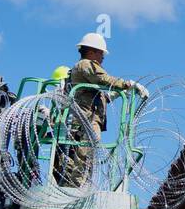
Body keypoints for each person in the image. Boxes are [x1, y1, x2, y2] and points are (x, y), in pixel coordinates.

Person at [54, 33, 147, 187]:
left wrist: (117, 94)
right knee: (88, 147)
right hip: (87, 118)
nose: (103, 57)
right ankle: (77, 184)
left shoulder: (83, 68)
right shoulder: (85, 65)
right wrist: (128, 84)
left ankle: (79, 183)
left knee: (84, 151)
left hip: (85, 116)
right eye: (101, 53)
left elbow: (98, 95)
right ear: (91, 51)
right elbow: (103, 79)